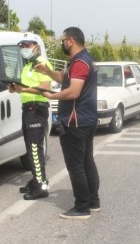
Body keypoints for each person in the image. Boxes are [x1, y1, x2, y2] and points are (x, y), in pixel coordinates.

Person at [36, 27, 100, 220]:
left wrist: (52, 95)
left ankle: (81, 207)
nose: (62, 43)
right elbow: (65, 79)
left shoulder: (80, 62)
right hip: (86, 120)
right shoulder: (83, 59)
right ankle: (93, 201)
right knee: (87, 162)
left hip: (75, 122)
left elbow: (73, 92)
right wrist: (47, 71)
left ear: (71, 40)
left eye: (63, 40)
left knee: (76, 167)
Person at [8, 33, 52, 200]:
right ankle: (36, 180)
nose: (24, 49)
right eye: (22, 46)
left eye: (27, 45)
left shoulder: (42, 64)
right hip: (27, 110)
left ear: (36, 46)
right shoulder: (27, 66)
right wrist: (14, 88)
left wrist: (23, 89)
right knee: (30, 148)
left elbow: (45, 87)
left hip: (37, 110)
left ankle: (42, 186)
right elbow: (24, 87)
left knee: (35, 148)